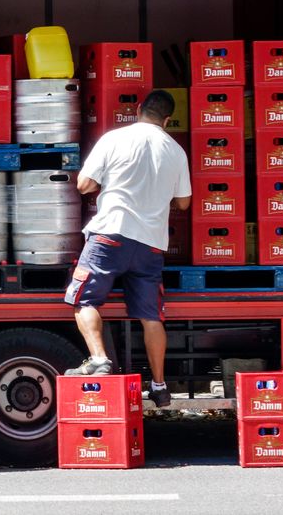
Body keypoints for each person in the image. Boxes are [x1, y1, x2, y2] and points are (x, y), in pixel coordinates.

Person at [63, 89, 191, 409]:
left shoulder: (114, 139)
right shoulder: (176, 151)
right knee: (151, 317)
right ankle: (160, 387)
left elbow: (84, 184)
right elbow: (184, 202)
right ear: (168, 119)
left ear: (138, 109)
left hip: (111, 236)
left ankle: (99, 358)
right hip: (150, 245)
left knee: (85, 299)